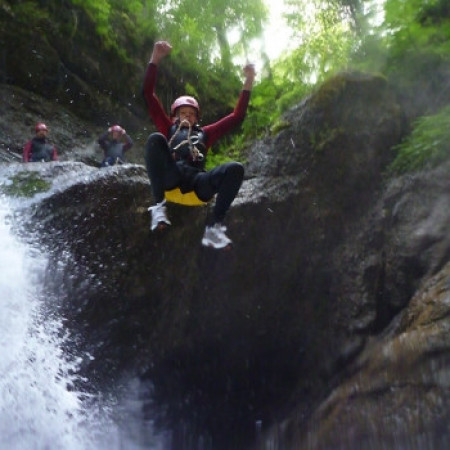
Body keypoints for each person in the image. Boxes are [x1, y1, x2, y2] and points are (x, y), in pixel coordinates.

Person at [143, 40, 256, 249]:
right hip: (172, 178)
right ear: (174, 116)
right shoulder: (167, 127)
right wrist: (155, 58)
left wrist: (249, 80)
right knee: (154, 139)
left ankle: (214, 228)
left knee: (235, 169)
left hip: (198, 183)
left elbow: (237, 116)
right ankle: (158, 207)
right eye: (183, 113)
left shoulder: (206, 133)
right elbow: (149, 95)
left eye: (192, 114)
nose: (188, 116)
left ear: (197, 118)